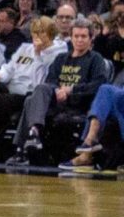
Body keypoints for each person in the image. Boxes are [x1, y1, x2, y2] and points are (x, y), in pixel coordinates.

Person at [6, 17, 110, 163]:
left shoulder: (95, 59)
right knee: (39, 90)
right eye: (76, 36)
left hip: (79, 103)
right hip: (56, 101)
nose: (79, 40)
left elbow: (99, 85)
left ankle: (21, 150)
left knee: (30, 101)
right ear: (71, 38)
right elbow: (50, 81)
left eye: (83, 36)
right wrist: (57, 91)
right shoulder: (61, 58)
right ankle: (34, 133)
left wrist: (70, 90)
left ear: (91, 38)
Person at [0, 15, 66, 162]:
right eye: (34, 32)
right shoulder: (25, 48)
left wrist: (39, 53)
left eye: (41, 32)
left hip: (29, 94)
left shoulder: (59, 51)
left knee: (1, 103)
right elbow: (9, 69)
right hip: (11, 88)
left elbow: (44, 77)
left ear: (51, 35)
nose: (37, 36)